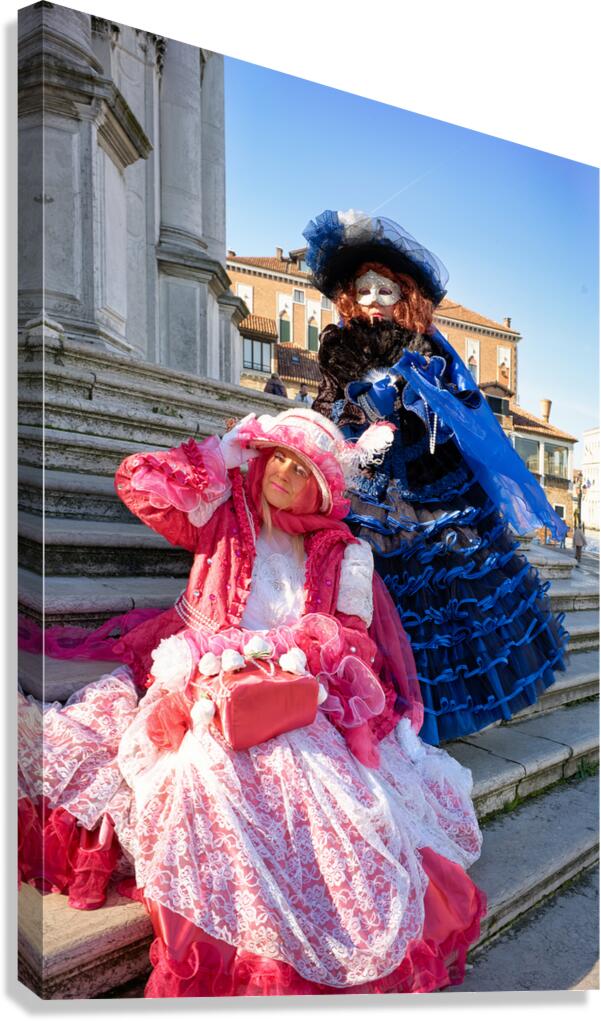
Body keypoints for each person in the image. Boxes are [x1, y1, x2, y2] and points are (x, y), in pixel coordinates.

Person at [18, 408, 485, 998]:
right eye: (277, 458)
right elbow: (139, 482)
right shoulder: (224, 511)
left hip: (283, 691)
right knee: (197, 776)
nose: (282, 474)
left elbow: (351, 638)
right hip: (197, 683)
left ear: (320, 483)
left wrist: (277, 648)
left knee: (318, 790)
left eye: (300, 467)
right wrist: (220, 453)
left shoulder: (342, 553)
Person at [303, 208, 569, 746]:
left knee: (446, 591)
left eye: (386, 290)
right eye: (365, 289)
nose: (376, 299)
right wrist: (350, 435)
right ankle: (389, 707)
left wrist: (421, 402)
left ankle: (436, 713)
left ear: (405, 295)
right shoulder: (339, 348)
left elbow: (464, 411)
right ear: (351, 296)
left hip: (431, 482)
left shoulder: (429, 350)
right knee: (383, 592)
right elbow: (327, 405)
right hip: (370, 482)